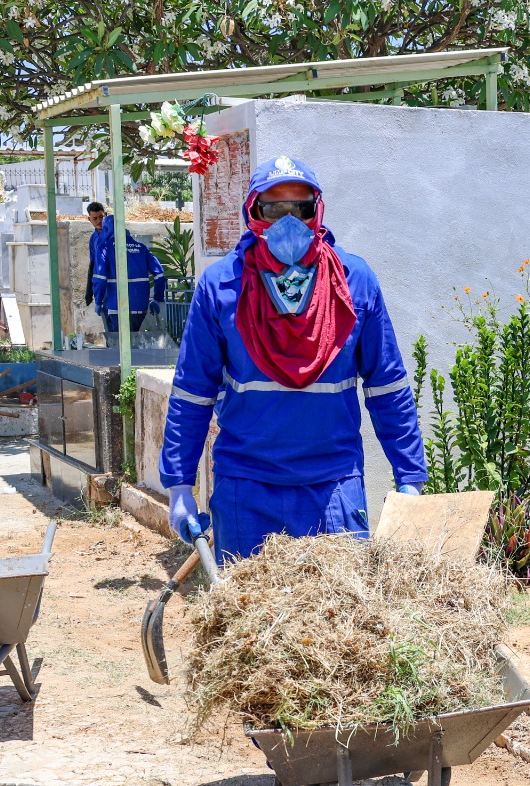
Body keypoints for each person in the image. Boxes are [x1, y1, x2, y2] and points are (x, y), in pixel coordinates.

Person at [158, 155, 426, 562]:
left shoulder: (355, 282)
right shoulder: (221, 286)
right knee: (248, 621)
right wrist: (179, 486)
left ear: (316, 211)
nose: (289, 221)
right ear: (253, 213)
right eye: (274, 208)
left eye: (299, 208)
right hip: (246, 488)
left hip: (334, 485)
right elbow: (192, 394)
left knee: (341, 619)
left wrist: (410, 476)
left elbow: (387, 387)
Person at [91, 215, 166, 333]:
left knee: (119, 345)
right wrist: (157, 298)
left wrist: (98, 301)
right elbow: (160, 274)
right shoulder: (141, 248)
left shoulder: (105, 248)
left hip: (117, 307)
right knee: (133, 343)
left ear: (107, 229)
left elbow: (100, 279)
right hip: (140, 307)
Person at [86, 201, 108, 273]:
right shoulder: (93, 238)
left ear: (105, 215)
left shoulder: (115, 233)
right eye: (95, 218)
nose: (99, 221)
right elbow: (93, 262)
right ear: (89, 219)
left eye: (101, 217)